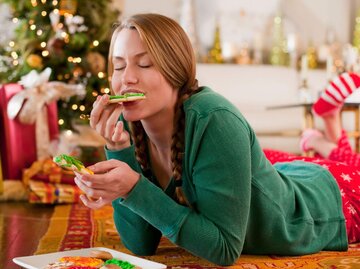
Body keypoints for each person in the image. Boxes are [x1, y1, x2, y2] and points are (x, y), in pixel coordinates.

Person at [73, 13, 359, 266]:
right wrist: (117, 151)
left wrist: (134, 188)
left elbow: (223, 249)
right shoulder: (127, 124)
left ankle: (327, 130)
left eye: (145, 64)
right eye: (119, 66)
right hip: (283, 175)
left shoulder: (214, 119)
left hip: (334, 201)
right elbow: (141, 244)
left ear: (176, 71)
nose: (127, 79)